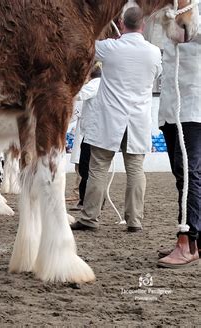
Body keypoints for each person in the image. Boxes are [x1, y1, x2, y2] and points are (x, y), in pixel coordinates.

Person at [71, 7, 162, 232]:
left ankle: (90, 217)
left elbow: (85, 41)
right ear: (143, 26)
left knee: (98, 168)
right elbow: (158, 74)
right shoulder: (153, 52)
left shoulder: (110, 47)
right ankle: (134, 220)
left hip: (109, 119)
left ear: (121, 23)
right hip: (137, 120)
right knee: (135, 170)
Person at [157, 9, 201, 268]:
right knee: (182, 172)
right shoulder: (170, 10)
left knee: (189, 172)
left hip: (194, 104)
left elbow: (188, 31)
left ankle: (188, 240)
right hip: (172, 106)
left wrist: (186, 20)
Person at [69, 65, 102, 210]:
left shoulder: (96, 84)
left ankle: (87, 201)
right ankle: (86, 200)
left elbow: (80, 95)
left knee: (87, 169)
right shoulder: (105, 84)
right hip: (93, 131)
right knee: (91, 169)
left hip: (92, 132)